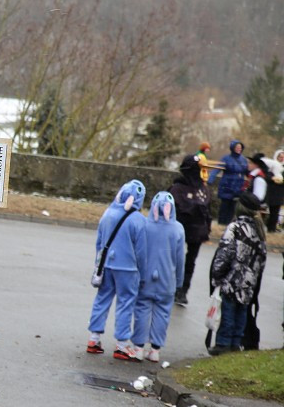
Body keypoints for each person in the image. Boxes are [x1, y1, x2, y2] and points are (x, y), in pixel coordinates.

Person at [86, 180, 148, 360]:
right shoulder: (138, 220)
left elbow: (99, 243)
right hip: (128, 268)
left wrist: (98, 264)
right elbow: (141, 252)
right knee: (125, 303)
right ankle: (121, 345)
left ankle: (94, 339)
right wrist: (141, 273)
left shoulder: (108, 213)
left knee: (102, 299)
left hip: (106, 266)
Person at [208, 192, 266, 354]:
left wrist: (217, 275)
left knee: (228, 312)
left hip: (232, 280)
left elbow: (224, 254)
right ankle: (235, 343)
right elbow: (261, 261)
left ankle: (223, 343)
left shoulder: (235, 228)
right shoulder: (259, 231)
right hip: (249, 282)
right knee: (241, 314)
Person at [131, 192, 184, 363]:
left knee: (141, 310)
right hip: (167, 279)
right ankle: (155, 350)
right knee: (162, 312)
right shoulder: (177, 228)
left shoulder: (145, 226)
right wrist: (179, 280)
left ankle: (138, 347)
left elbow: (138, 251)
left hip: (145, 276)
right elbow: (180, 258)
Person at [168, 155, 212, 306]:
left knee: (190, 261)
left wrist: (207, 226)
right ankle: (171, 286)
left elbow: (207, 210)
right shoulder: (177, 188)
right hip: (179, 229)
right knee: (174, 258)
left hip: (197, 230)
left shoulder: (203, 189)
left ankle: (183, 290)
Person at [209, 140, 247, 225]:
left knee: (233, 208)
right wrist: (210, 179)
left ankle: (228, 225)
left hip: (238, 187)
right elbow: (217, 169)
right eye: (237, 147)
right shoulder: (226, 158)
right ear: (233, 148)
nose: (239, 149)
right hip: (227, 186)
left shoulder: (243, 160)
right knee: (224, 207)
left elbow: (247, 172)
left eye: (240, 148)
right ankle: (221, 223)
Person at [264, 150, 284, 233]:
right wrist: (273, 179)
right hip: (271, 191)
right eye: (280, 157)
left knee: (275, 212)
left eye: (283, 157)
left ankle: (272, 229)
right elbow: (267, 177)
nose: (281, 158)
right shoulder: (271, 166)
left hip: (280, 192)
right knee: (269, 210)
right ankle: (268, 228)